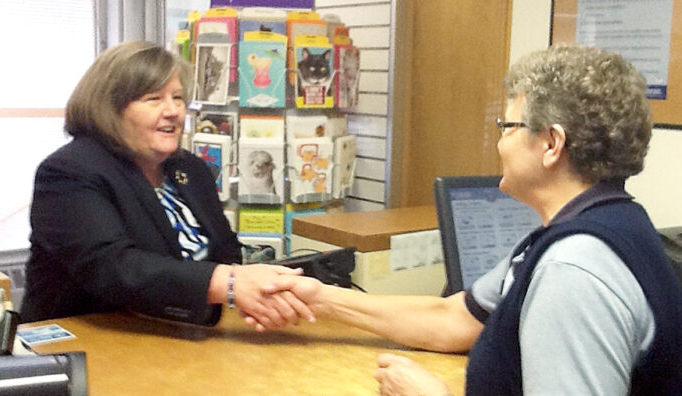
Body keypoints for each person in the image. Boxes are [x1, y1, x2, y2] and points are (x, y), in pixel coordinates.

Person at [261, 44, 682, 395]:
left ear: (552, 143)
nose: (500, 140)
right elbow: (452, 319)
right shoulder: (608, 224)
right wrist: (317, 298)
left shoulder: (572, 271)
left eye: (509, 125)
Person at [21, 41, 313, 330]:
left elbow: (225, 249)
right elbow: (115, 269)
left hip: (187, 336)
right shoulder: (70, 171)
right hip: (88, 345)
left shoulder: (190, 168)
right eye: (154, 99)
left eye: (178, 98)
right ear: (111, 108)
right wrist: (230, 284)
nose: (173, 111)